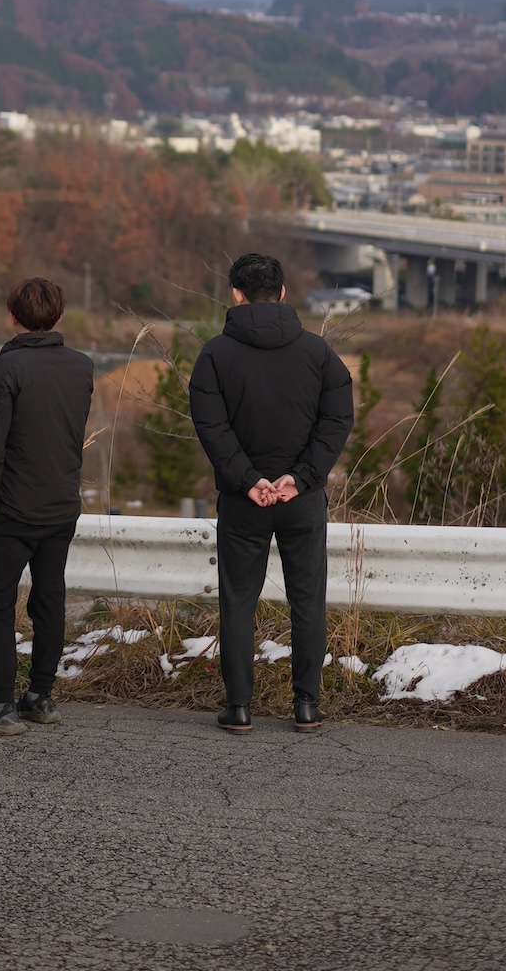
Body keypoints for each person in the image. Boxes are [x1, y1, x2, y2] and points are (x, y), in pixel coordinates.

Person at [189, 253, 354, 735]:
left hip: (244, 502)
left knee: (238, 601)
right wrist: (300, 478)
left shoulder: (215, 354)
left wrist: (248, 479)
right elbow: (337, 420)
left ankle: (238, 707)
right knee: (308, 600)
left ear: (235, 295)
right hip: (300, 500)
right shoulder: (318, 354)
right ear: (283, 294)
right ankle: (306, 704)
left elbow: (211, 427)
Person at [0, 277, 95, 738]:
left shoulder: (8, 367)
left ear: (13, 317)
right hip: (61, 504)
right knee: (49, 598)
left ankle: (0, 706)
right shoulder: (81, 366)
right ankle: (41, 696)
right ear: (58, 317)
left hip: (12, 506)